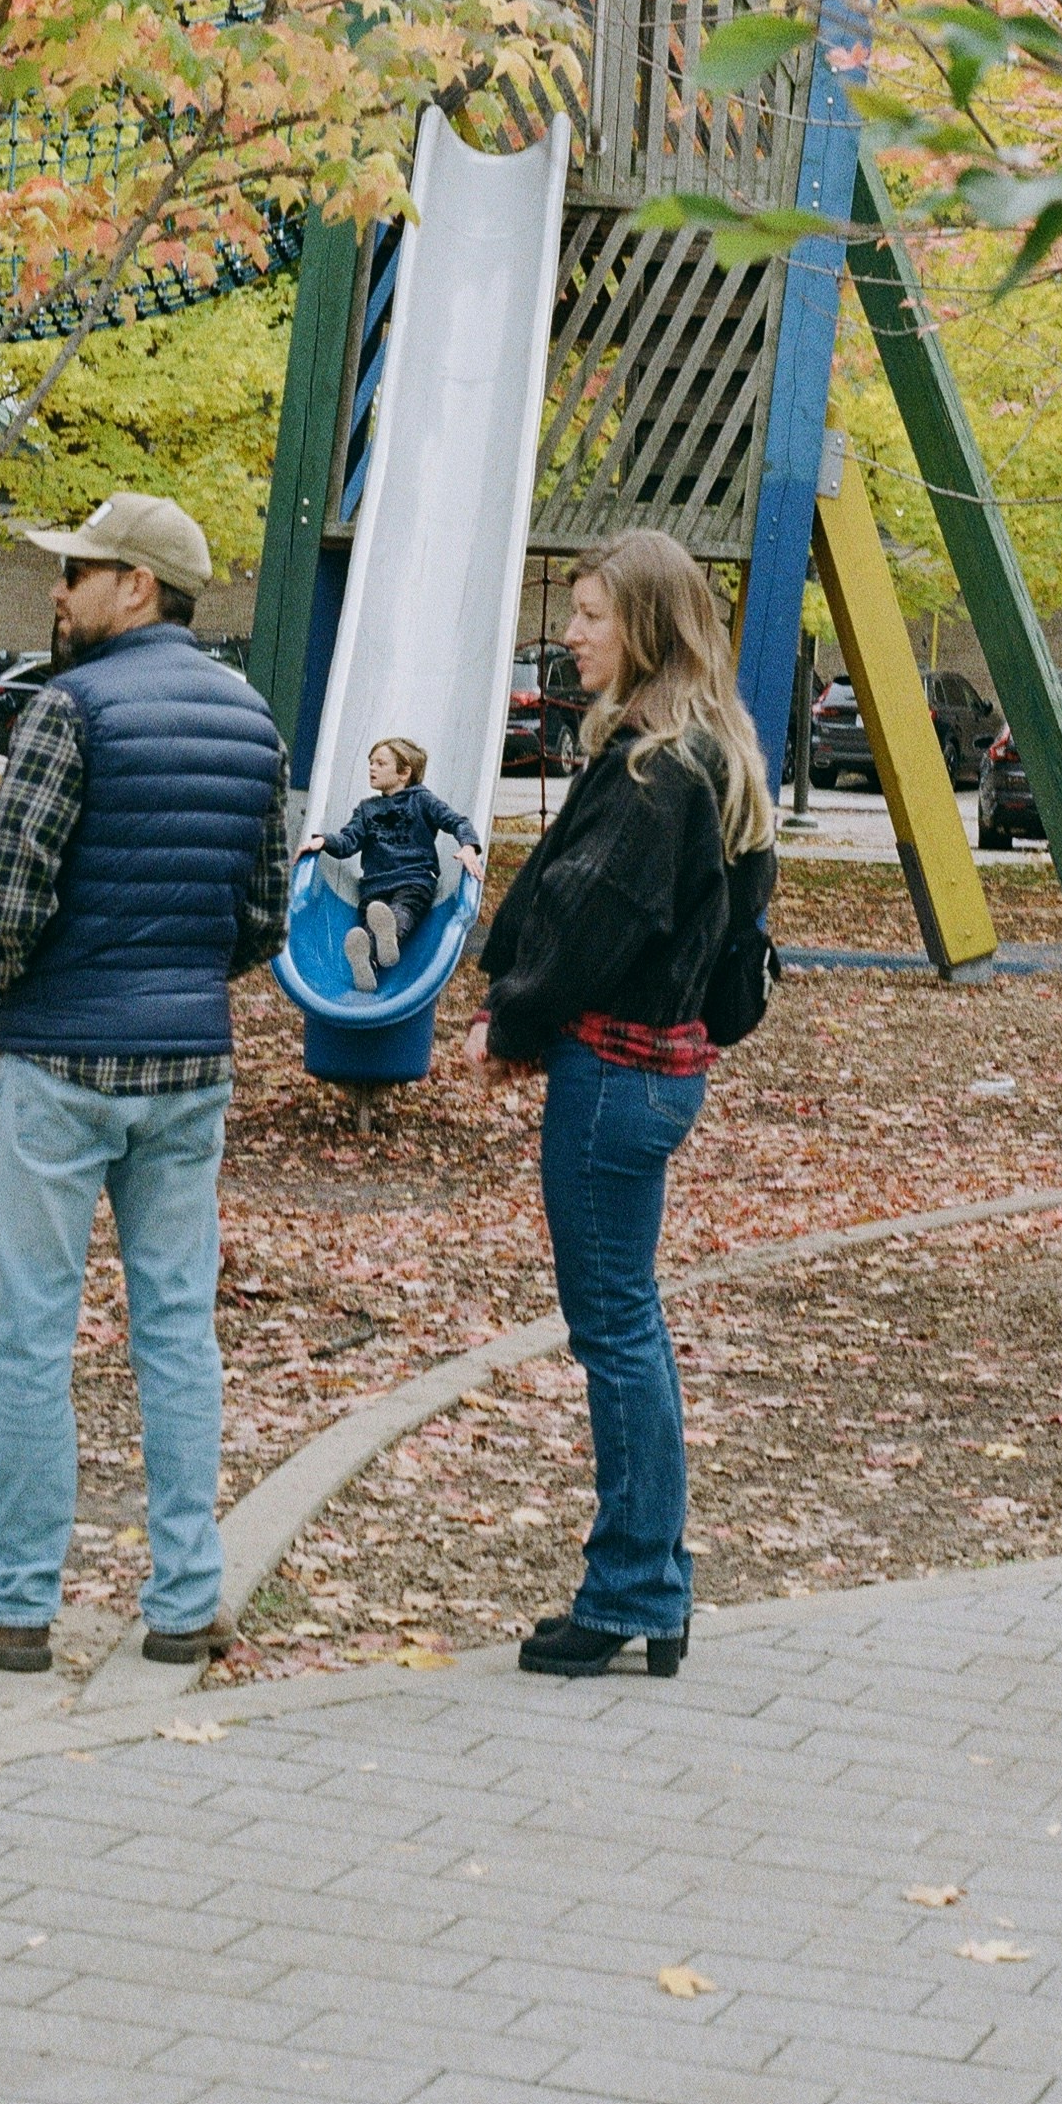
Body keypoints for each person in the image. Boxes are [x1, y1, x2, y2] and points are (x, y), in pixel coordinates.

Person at [0, 492, 287, 1677]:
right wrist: (187, 978)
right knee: (176, 1330)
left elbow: (3, 899)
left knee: (34, 1334)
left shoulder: (69, 709)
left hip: (60, 1060)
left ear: (135, 585)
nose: (59, 588)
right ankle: (186, 1598)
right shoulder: (253, 722)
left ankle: (16, 1604)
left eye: (79, 569)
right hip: (190, 1067)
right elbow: (264, 915)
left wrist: (20, 993)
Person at [466, 529, 774, 1681]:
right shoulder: (715, 751)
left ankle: (635, 1584)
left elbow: (590, 914)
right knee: (627, 1322)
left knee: (615, 1330)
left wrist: (515, 1021)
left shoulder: (656, 767)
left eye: (592, 612)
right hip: (659, 1071)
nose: (573, 631)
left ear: (645, 622)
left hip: (614, 1077)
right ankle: (651, 1578)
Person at [300, 736, 482, 989]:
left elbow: (457, 821)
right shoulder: (366, 809)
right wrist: (323, 842)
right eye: (370, 762)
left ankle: (386, 940)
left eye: (380, 763)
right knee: (372, 923)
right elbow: (348, 841)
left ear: (404, 772)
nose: (372, 768)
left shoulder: (422, 800)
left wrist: (468, 846)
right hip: (375, 887)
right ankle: (369, 963)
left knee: (400, 911)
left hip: (413, 880)